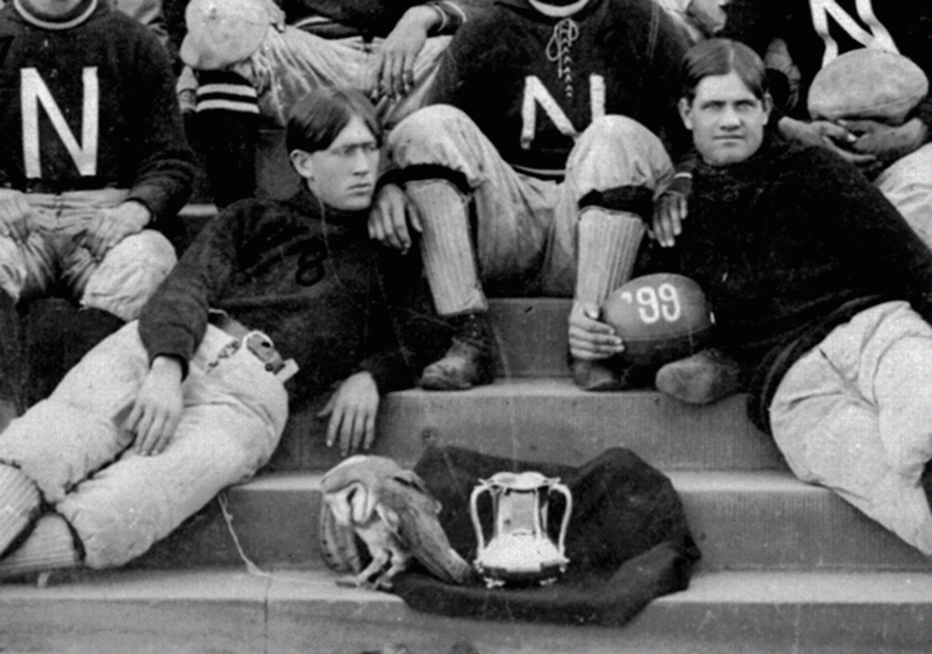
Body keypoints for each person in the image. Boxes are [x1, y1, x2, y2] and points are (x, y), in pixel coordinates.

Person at [0, 87, 449, 579]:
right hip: (166, 347)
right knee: (47, 444)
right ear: (302, 162)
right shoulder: (252, 217)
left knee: (134, 503)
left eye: (371, 149)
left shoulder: (388, 246)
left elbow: (429, 329)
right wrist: (166, 368)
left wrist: (372, 375)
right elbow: (187, 284)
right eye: (346, 151)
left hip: (250, 399)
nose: (364, 166)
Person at [642, 38, 932, 556]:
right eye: (713, 106)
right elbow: (660, 317)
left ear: (767, 110)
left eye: (743, 105)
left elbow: (910, 262)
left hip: (871, 330)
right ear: (687, 113)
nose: (730, 120)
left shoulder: (812, 170)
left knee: (924, 420)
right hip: (792, 386)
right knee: (899, 495)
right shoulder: (677, 213)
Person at [368, 0, 690, 391]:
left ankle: (591, 339)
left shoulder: (644, 19)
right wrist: (386, 182)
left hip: (595, 229)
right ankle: (466, 333)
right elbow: (429, 130)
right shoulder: (489, 23)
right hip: (509, 219)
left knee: (615, 133)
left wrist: (681, 180)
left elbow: (696, 118)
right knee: (426, 126)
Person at [0, 0, 196, 410]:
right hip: (17, 223)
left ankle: (83, 411)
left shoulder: (132, 41)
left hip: (104, 217)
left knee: (147, 260)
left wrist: (136, 209)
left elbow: (171, 161)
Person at [654, 0, 932, 246]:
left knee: (913, 208)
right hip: (826, 147)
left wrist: (919, 128)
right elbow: (732, 58)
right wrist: (791, 127)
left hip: (918, 140)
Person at [178, 0, 481, 206]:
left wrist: (423, 16)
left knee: (488, 38)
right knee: (222, 18)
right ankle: (239, 226)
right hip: (309, 59)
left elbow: (498, 9)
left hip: (411, 60)